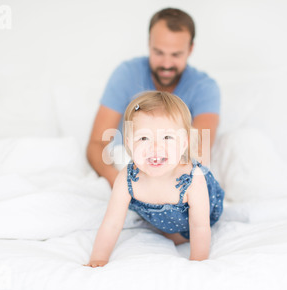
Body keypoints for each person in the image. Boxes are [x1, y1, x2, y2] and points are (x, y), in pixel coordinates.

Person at [85, 91, 224, 268]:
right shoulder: (128, 178)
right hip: (161, 219)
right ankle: (163, 228)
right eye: (143, 138)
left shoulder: (192, 179)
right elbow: (111, 223)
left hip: (199, 216)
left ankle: (176, 234)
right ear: (129, 143)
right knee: (156, 232)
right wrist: (98, 259)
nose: (155, 147)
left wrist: (198, 264)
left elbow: (199, 227)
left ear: (183, 143)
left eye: (167, 137)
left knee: (188, 231)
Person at [87, 8, 221, 187]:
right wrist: (122, 183)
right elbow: (97, 144)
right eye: (158, 52)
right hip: (127, 169)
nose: (166, 64)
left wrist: (163, 189)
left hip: (174, 176)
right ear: (149, 44)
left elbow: (199, 153)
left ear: (190, 49)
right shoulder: (126, 74)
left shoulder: (205, 88)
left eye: (176, 55)